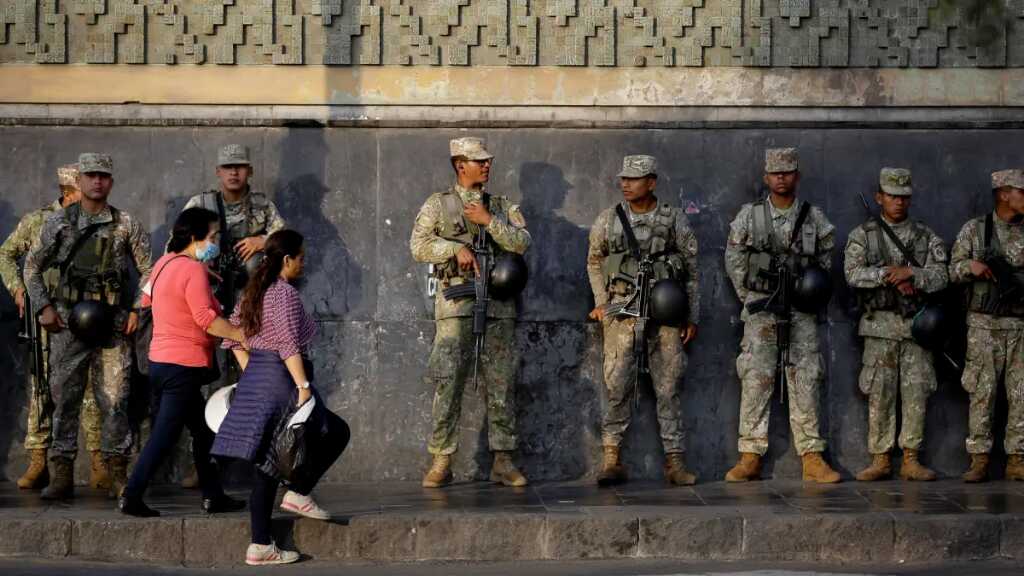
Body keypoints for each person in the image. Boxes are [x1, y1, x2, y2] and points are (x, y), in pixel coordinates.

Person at [212, 230, 350, 565]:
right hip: (283, 378)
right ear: (287, 260)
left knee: (268, 463)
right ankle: (298, 493)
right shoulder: (284, 294)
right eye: (301, 258)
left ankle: (260, 544)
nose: (304, 263)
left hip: (259, 377)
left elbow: (233, 339)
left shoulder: (253, 292)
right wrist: (302, 386)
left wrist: (251, 372)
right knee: (335, 432)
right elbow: (288, 345)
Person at [24, 153, 152, 500]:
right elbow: (31, 267)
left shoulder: (126, 223)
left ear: (111, 182)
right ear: (78, 181)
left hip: (111, 323)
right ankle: (61, 471)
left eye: (104, 176)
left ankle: (117, 472)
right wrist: (45, 308)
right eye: (91, 176)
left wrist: (138, 310)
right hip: (68, 322)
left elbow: (151, 271)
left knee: (115, 398)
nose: (98, 181)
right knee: (64, 397)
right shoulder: (59, 223)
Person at [409, 137, 532, 488]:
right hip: (456, 304)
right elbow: (418, 246)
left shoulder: (501, 205)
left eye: (488, 161)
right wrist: (453, 248)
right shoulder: (439, 204)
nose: (487, 165)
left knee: (501, 382)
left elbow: (523, 243)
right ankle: (441, 459)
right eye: (480, 161)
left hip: (498, 306)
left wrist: (489, 221)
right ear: (461, 165)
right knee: (448, 380)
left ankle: (504, 460)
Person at [118, 208, 249, 517]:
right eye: (212, 236)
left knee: (203, 432)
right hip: (182, 366)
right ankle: (132, 495)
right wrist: (240, 336)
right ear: (194, 238)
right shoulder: (192, 270)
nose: (216, 241)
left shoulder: (164, 264)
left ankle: (213, 495)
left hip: (161, 362)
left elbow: (149, 300)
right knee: (164, 435)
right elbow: (205, 318)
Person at [722, 147, 841, 483]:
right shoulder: (751, 215)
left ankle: (812, 456)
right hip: (762, 310)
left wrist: (810, 291)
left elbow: (826, 259)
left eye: (787, 172)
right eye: (776, 173)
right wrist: (750, 298)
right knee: (756, 377)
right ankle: (750, 455)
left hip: (800, 312)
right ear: (766, 177)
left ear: (797, 176)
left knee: (805, 377)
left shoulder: (813, 217)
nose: (782, 178)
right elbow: (734, 258)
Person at [585, 155, 700, 486]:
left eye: (634, 179)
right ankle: (611, 458)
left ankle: (675, 462)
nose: (625, 183)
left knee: (669, 386)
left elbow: (692, 271)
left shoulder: (673, 219)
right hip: (622, 313)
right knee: (617, 384)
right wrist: (602, 304)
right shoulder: (609, 220)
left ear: (651, 182)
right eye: (623, 178)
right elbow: (594, 261)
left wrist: (691, 315)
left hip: (665, 315)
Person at [178, 144, 286, 489]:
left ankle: (256, 461)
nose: (234, 172)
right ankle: (205, 465)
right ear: (218, 172)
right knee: (207, 387)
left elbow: (286, 243)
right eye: (228, 167)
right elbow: (177, 245)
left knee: (252, 385)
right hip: (206, 308)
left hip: (249, 315)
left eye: (240, 166)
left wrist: (262, 240)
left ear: (250, 171)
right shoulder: (202, 205)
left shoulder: (262, 206)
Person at [0, 164, 109, 491]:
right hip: (46, 318)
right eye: (83, 188)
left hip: (86, 316)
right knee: (42, 387)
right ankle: (38, 459)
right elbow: (6, 254)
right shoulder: (37, 221)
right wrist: (18, 289)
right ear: (69, 191)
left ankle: (98, 460)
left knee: (89, 387)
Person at [844, 168, 948, 482]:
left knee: (916, 392)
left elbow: (943, 275)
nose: (898, 202)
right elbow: (851, 273)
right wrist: (885, 273)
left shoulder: (925, 236)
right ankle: (880, 458)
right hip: (879, 326)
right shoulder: (863, 235)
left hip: (917, 328)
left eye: (904, 196)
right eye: (892, 195)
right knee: (881, 393)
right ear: (879, 198)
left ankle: (912, 459)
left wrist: (913, 275)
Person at [950, 169, 1024, 482]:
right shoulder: (975, 230)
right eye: (1021, 191)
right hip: (983, 325)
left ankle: (1017, 459)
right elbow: (952, 270)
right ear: (1004, 194)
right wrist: (971, 266)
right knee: (982, 391)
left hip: (1020, 325)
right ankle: (979, 459)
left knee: (1021, 394)